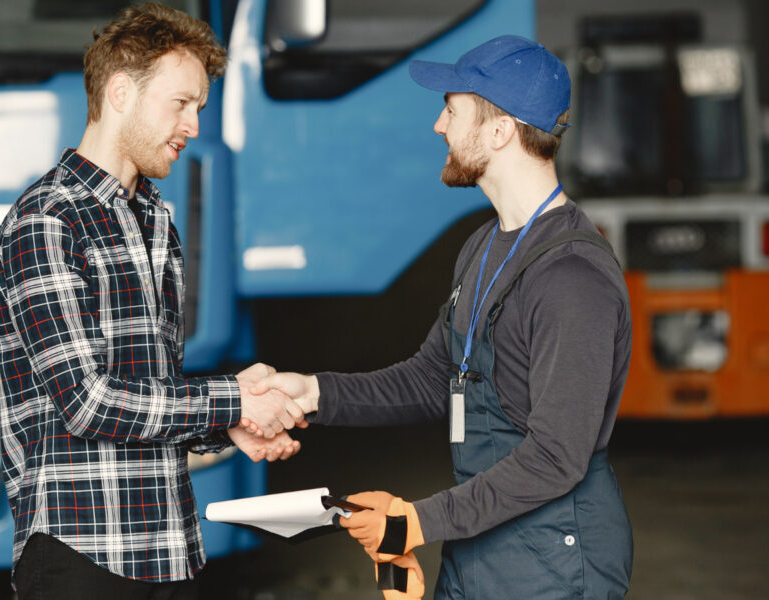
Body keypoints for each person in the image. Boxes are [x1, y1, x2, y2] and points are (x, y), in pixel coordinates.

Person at [251, 35, 634, 599]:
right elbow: (435, 377)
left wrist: (413, 523)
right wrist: (311, 393)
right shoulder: (483, 247)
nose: (438, 126)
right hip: (481, 541)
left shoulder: (572, 279)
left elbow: (557, 458)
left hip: (556, 560)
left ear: (501, 132)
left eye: (452, 110)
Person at [0, 4, 303, 598]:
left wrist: (226, 427)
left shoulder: (154, 220)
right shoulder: (46, 222)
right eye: (180, 103)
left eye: (199, 108)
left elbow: (148, 392)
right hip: (82, 554)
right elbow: (87, 402)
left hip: (170, 548)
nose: (193, 126)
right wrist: (232, 399)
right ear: (122, 92)